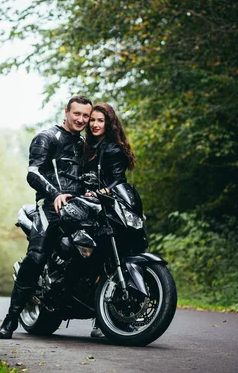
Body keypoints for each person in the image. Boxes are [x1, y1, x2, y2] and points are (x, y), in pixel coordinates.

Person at [0, 95, 93, 339]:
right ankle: (10, 319)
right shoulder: (47, 137)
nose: (81, 119)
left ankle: (101, 318)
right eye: (77, 114)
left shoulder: (85, 145)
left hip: (81, 208)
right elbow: (33, 173)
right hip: (50, 206)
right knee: (37, 256)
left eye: (86, 116)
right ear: (67, 112)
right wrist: (56, 194)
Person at [84, 102, 137, 337]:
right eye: (92, 120)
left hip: (108, 207)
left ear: (109, 123)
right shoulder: (86, 146)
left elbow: (117, 182)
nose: (95, 124)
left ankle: (103, 320)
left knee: (108, 259)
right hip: (87, 205)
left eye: (100, 121)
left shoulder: (113, 149)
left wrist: (99, 193)